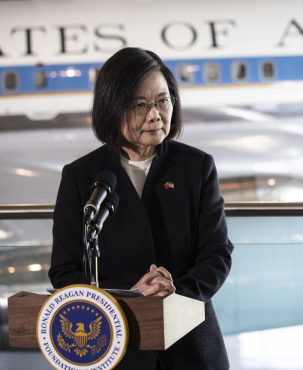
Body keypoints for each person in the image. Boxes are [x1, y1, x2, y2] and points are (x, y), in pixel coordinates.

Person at [49, 47, 234, 370]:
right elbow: (64, 271)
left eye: (163, 101)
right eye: (140, 105)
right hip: (117, 347)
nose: (155, 114)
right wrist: (131, 296)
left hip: (191, 346)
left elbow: (217, 252)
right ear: (111, 108)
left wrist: (175, 294)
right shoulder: (81, 176)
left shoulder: (196, 166)